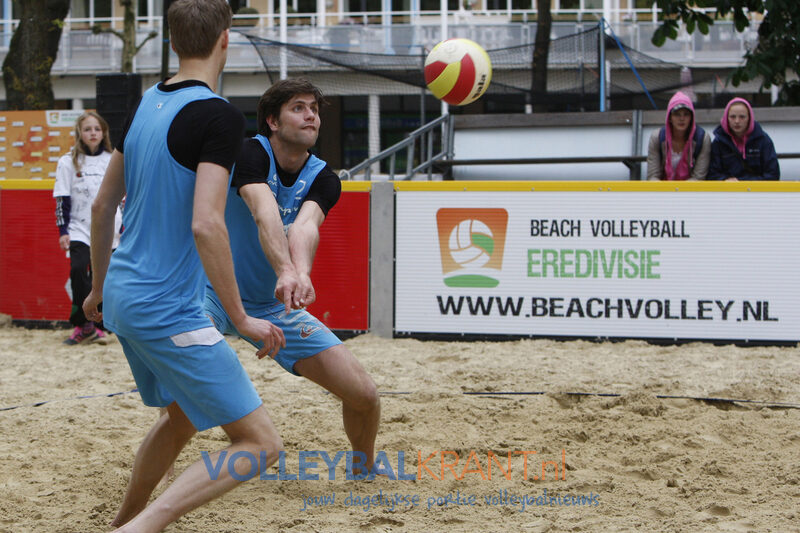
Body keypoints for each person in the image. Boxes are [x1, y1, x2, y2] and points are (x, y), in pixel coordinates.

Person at [83, 1, 286, 531]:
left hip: (124, 297)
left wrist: (98, 289)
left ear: (173, 43)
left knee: (181, 416)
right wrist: (241, 319)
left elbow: (102, 207)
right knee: (261, 443)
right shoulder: (219, 115)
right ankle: (141, 527)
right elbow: (207, 225)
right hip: (167, 308)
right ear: (226, 40)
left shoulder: (146, 103)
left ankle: (124, 520)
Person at [203, 77, 380, 473]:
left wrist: (300, 274)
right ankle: (160, 474)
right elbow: (262, 209)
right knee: (185, 389)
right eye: (298, 108)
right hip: (211, 292)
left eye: (314, 109)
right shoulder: (249, 153)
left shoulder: (324, 176)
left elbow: (305, 226)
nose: (310, 115)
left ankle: (364, 469)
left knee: (364, 394)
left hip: (271, 304)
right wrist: (285, 269)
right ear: (272, 120)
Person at [53, 111, 121, 345]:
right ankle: (83, 324)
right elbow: (62, 199)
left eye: (97, 129)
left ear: (104, 133)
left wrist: (126, 225)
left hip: (111, 229)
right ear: (79, 133)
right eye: (87, 129)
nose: (93, 133)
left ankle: (103, 325)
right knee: (79, 269)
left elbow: (124, 197)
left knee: (107, 277)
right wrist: (63, 231)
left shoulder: (113, 159)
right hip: (79, 229)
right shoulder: (67, 161)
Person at [708, 97, 780, 181]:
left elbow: (773, 174)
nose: (737, 121)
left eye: (742, 117)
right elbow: (712, 174)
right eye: (732, 117)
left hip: (757, 188)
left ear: (749, 118)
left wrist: (747, 183)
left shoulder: (763, 140)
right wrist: (725, 180)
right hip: (729, 188)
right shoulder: (718, 142)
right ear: (726, 118)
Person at [646, 91, 711, 181]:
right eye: (677, 114)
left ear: (692, 117)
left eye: (686, 114)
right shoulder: (657, 137)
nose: (682, 119)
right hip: (663, 188)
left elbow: (698, 177)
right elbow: (653, 176)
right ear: (669, 117)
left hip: (692, 188)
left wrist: (678, 189)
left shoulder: (702, 139)